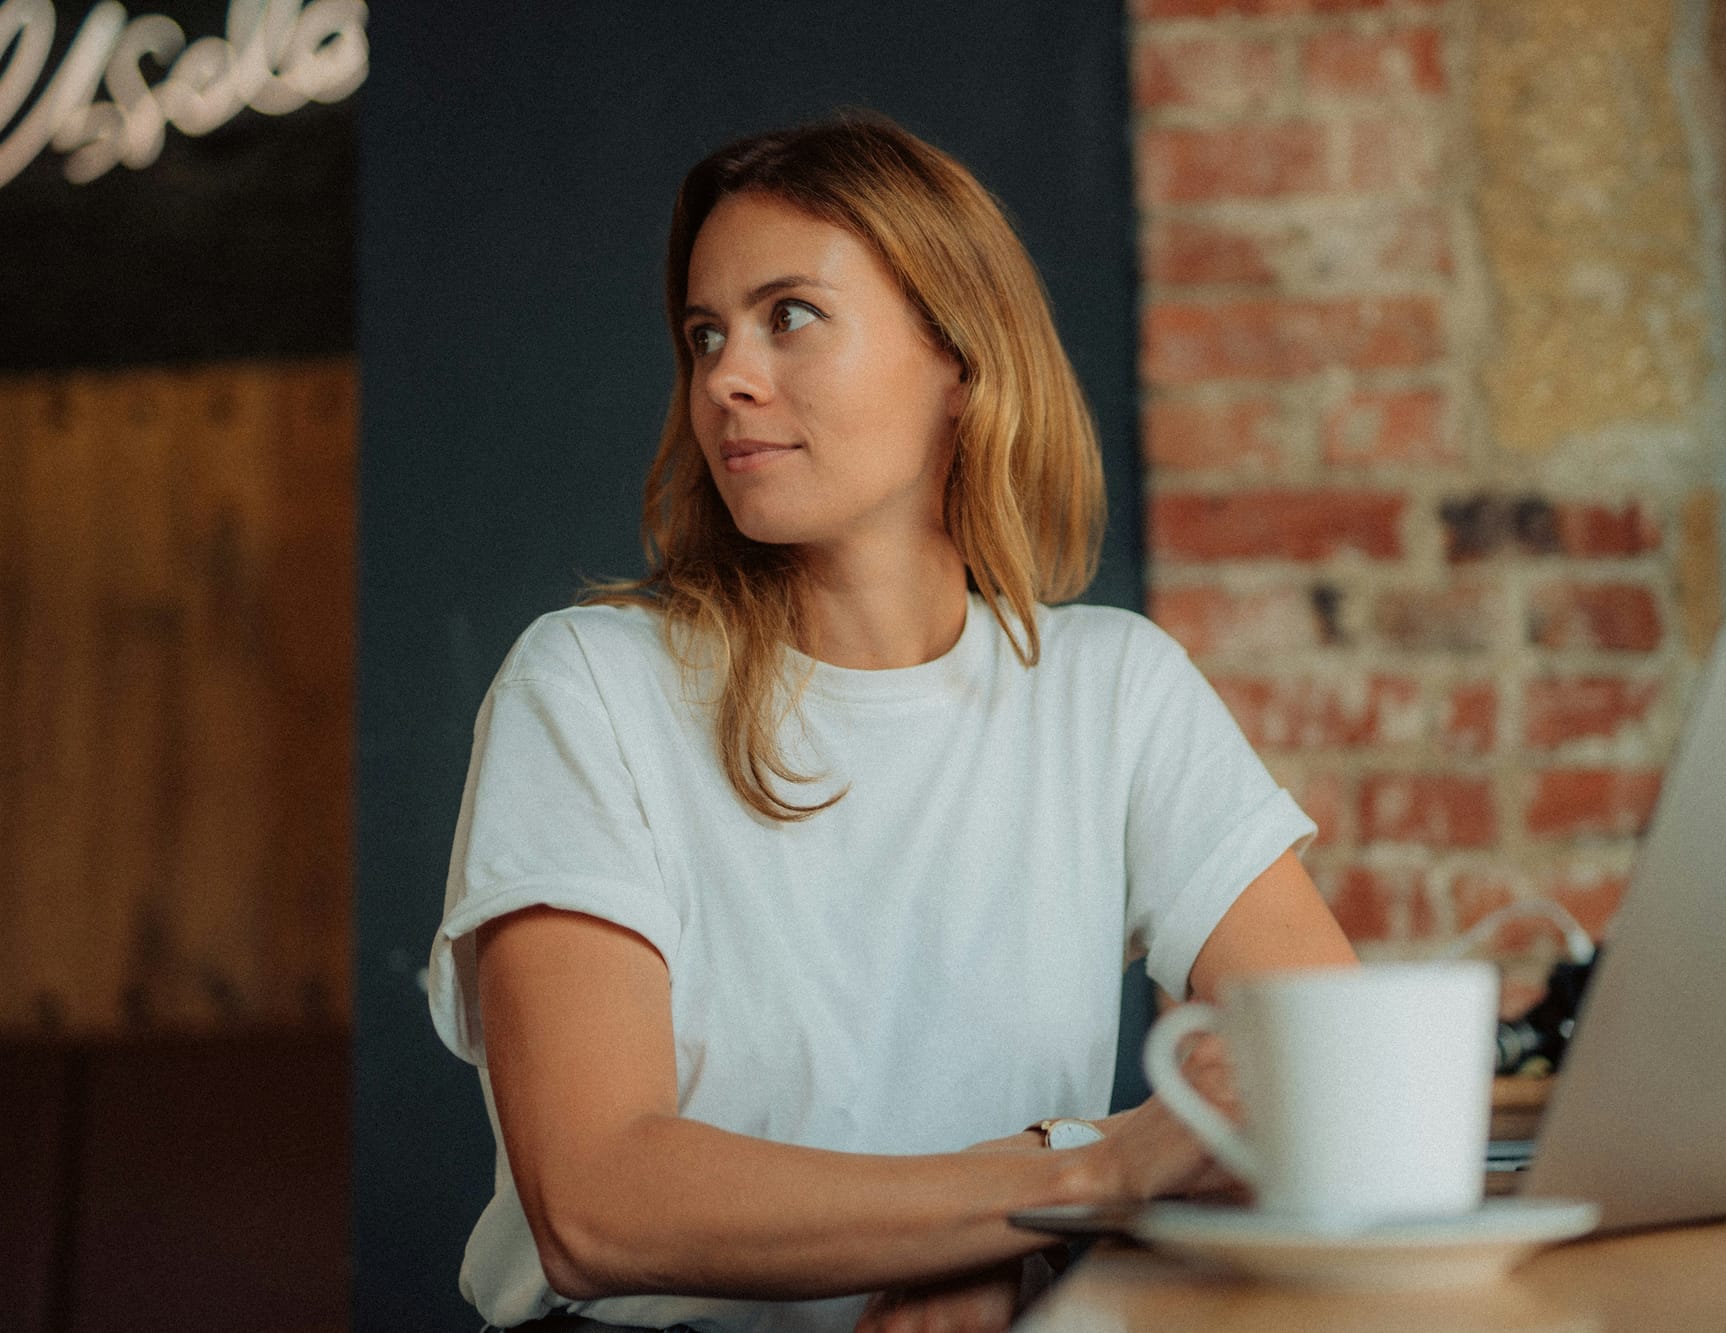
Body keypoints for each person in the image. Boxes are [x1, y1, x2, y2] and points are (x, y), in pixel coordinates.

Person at [427, 112, 1358, 1333]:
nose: (725, 377)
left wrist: (994, 1229)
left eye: (788, 315)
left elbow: (1329, 1083)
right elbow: (598, 1206)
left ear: (958, 362)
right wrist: (1067, 1183)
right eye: (704, 334)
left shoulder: (1111, 688)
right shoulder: (588, 686)